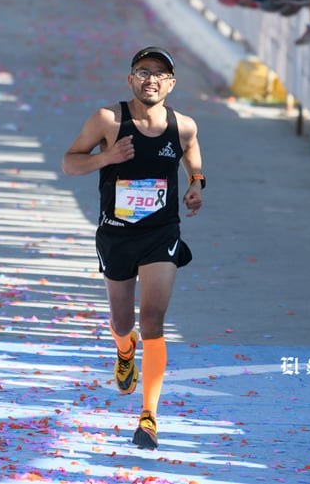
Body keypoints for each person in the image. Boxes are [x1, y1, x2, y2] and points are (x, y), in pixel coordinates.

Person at [61, 47, 204, 450]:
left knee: (155, 319)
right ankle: (125, 349)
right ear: (131, 80)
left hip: (160, 233)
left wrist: (197, 183)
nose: (151, 79)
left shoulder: (184, 125)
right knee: (123, 322)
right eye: (144, 72)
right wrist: (106, 157)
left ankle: (149, 417)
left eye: (160, 74)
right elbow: (69, 162)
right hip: (116, 234)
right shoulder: (109, 120)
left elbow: (191, 151)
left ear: (171, 84)